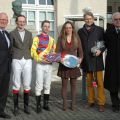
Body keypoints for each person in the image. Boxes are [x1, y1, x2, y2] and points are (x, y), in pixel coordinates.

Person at [78, 12, 106, 112]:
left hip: (97, 60)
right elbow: (79, 46)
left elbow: (104, 43)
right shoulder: (80, 31)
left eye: (90, 18)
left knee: (99, 83)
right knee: (89, 83)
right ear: (84, 20)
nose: (88, 20)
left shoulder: (100, 30)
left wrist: (100, 50)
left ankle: (101, 103)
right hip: (86, 60)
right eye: (86, 19)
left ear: (93, 19)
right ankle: (90, 101)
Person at [56, 21, 83, 111]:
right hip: (64, 65)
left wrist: (80, 59)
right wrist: (60, 59)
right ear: (64, 29)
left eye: (70, 27)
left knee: (74, 85)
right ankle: (64, 105)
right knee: (64, 85)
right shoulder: (60, 38)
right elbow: (58, 51)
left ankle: (73, 105)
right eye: (66, 27)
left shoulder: (77, 38)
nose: (68, 29)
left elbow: (80, 51)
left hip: (74, 65)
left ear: (72, 29)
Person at [31, 20, 56, 113]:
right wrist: (40, 59)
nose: (47, 28)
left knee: (47, 85)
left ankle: (46, 104)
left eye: (48, 26)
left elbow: (54, 52)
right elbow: (33, 52)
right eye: (45, 26)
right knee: (39, 85)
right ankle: (38, 106)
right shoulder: (36, 38)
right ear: (42, 27)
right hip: (40, 65)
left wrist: (53, 58)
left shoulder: (52, 40)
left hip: (49, 65)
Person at [10, 15, 33, 116]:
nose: (22, 23)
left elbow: (31, 46)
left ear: (25, 22)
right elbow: (10, 47)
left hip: (27, 59)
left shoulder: (29, 33)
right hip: (16, 59)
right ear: (16, 22)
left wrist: (30, 57)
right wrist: (13, 56)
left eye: (23, 21)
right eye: (20, 21)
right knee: (16, 83)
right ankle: (15, 107)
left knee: (27, 83)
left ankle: (26, 107)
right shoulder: (12, 33)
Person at [104, 12, 120, 113]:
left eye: (119, 19)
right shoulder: (108, 31)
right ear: (112, 21)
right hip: (112, 62)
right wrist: (97, 50)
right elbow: (103, 44)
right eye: (116, 19)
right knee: (112, 85)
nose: (118, 21)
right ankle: (115, 105)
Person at [0, 12, 11, 119]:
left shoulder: (7, 34)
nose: (3, 21)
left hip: (7, 67)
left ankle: (1, 111)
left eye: (5, 20)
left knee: (4, 91)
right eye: (1, 19)